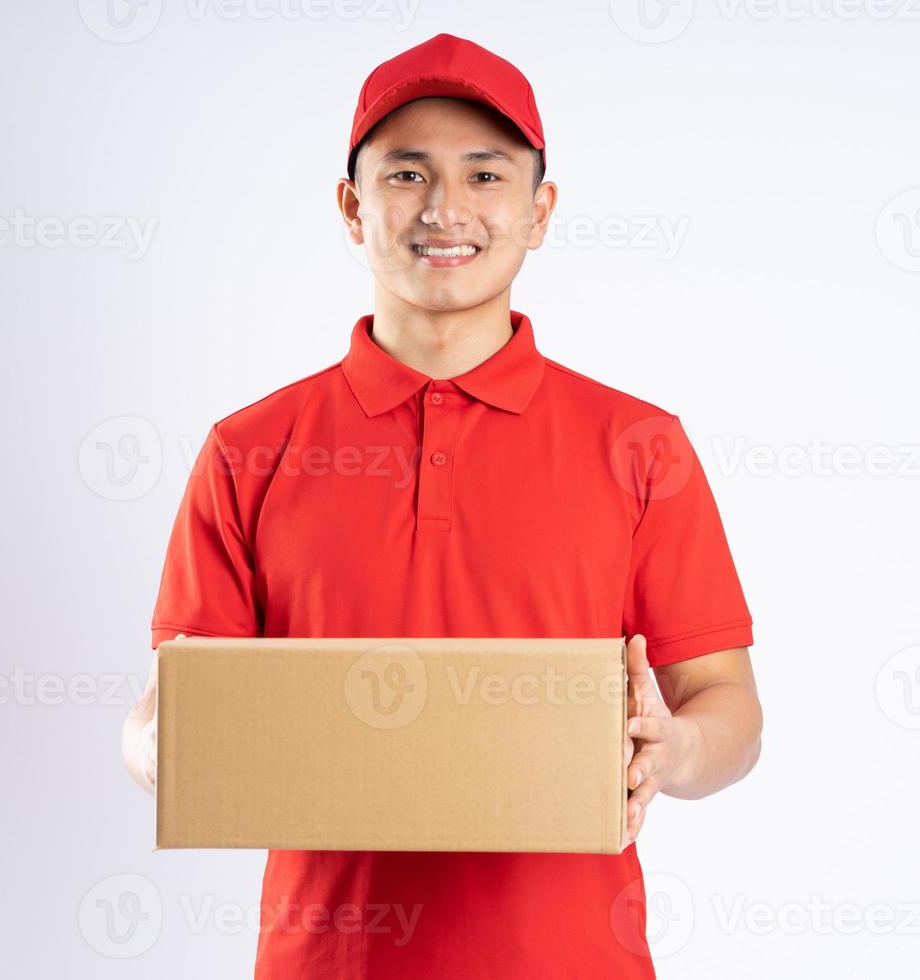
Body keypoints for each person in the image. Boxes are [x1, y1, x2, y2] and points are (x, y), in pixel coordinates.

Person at [122, 32, 762, 979]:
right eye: (407, 174)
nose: (445, 209)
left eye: (485, 176)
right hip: (327, 962)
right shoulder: (249, 450)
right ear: (352, 207)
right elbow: (174, 705)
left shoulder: (637, 445)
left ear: (539, 211)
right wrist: (155, 751)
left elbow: (728, 707)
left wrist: (672, 750)